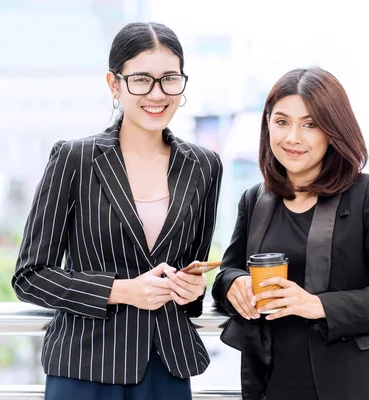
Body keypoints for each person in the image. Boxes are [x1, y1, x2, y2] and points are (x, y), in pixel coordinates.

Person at [12, 22, 223, 400]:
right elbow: (30, 277)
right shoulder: (75, 159)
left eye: (169, 79)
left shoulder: (204, 166)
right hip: (85, 366)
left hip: (166, 366)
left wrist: (191, 289)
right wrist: (122, 290)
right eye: (141, 79)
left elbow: (189, 282)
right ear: (114, 84)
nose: (157, 94)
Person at [212, 67, 369, 400]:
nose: (292, 137)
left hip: (359, 385)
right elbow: (228, 273)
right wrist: (233, 284)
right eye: (282, 122)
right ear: (267, 125)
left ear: (333, 130)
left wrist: (317, 305)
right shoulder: (256, 199)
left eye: (310, 125)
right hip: (275, 383)